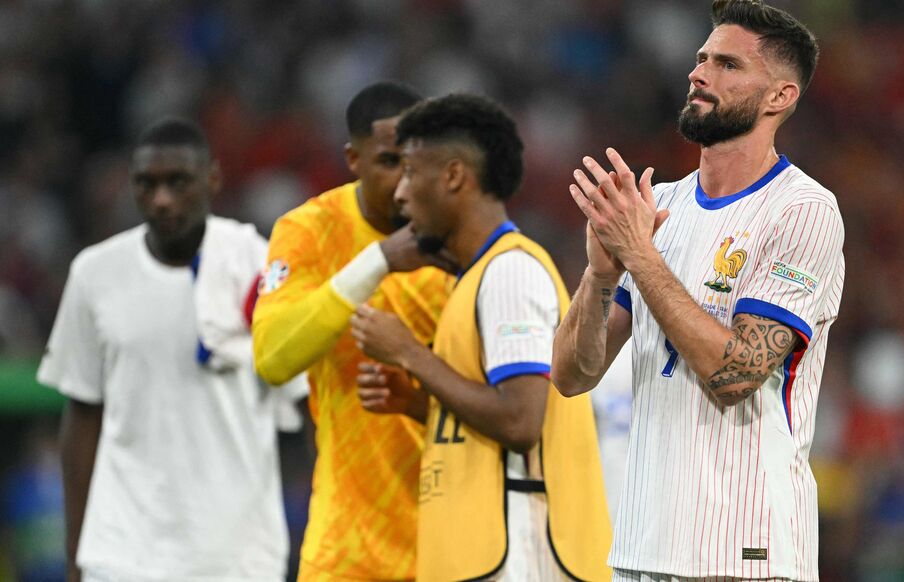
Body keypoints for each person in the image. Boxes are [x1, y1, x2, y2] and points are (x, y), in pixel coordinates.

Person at [551, 1, 845, 581]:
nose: (699, 73)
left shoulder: (803, 210)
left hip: (744, 551)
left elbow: (735, 376)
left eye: (727, 64)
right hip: (639, 546)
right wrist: (601, 275)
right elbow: (570, 375)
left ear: (779, 96)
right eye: (702, 58)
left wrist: (640, 255)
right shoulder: (661, 207)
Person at [350, 93, 613, 582]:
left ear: (453, 176)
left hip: (522, 555)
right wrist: (422, 404)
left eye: (410, 171)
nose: (400, 194)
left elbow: (520, 421)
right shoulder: (474, 278)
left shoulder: (510, 272)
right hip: (485, 555)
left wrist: (409, 353)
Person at [38, 118, 305, 582]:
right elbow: (82, 414)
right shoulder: (94, 274)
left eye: (178, 182)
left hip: (239, 558)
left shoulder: (260, 265)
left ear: (213, 179)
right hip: (121, 554)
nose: (161, 199)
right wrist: (75, 556)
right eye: (147, 184)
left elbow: (301, 404)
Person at [251, 81, 451, 581]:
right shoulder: (310, 231)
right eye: (389, 162)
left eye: (415, 164)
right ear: (353, 159)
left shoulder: (461, 242)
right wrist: (377, 262)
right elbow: (273, 358)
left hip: (454, 548)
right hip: (347, 555)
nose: (404, 181)